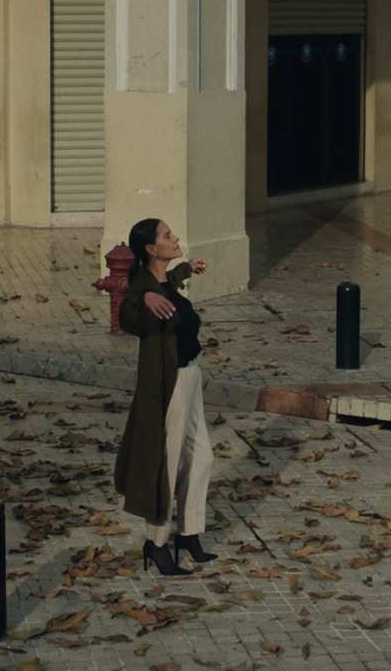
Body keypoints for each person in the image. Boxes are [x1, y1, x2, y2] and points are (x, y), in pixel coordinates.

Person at [112, 218, 219, 575]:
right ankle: (156, 543)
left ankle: (188, 533)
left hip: (191, 376)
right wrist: (144, 298)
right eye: (167, 236)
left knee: (201, 457)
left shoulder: (162, 280)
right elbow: (128, 313)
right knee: (167, 463)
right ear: (150, 249)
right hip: (168, 384)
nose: (175, 239)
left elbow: (168, 283)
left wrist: (189, 267)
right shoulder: (143, 287)